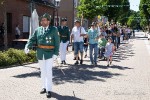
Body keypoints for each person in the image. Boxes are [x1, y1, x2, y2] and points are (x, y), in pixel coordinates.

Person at [24, 13, 60, 98]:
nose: (42, 21)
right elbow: (32, 39)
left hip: (50, 53)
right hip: (40, 53)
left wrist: (56, 53)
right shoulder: (38, 30)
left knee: (48, 71)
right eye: (42, 20)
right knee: (43, 71)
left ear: (48, 21)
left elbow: (57, 42)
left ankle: (49, 89)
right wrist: (27, 46)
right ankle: (43, 87)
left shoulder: (53, 30)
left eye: (44, 20)